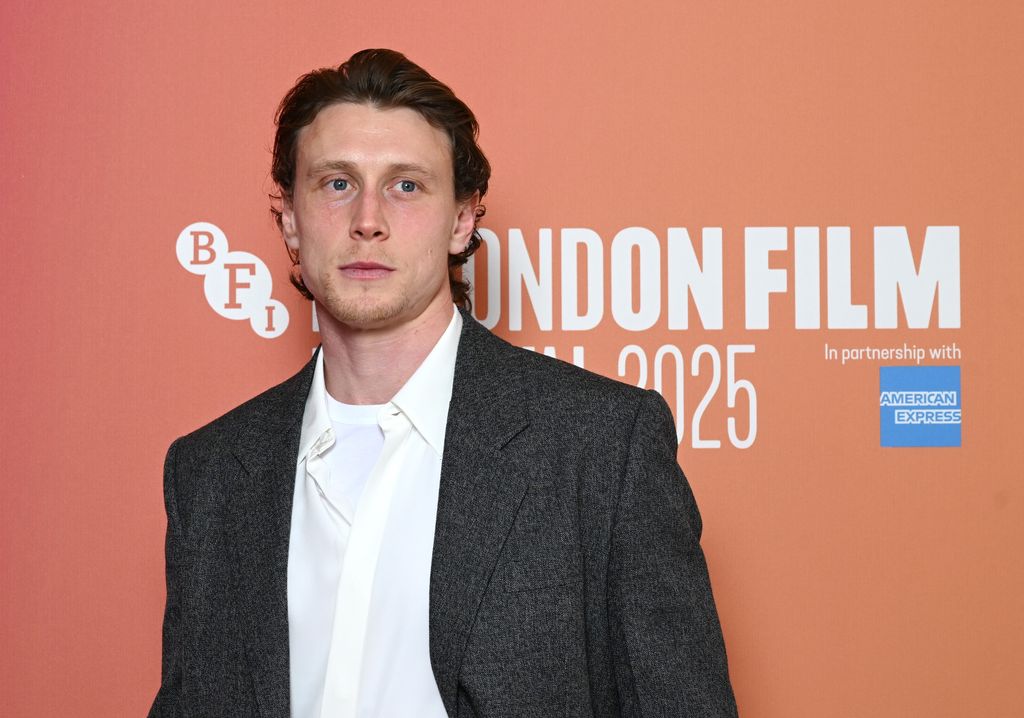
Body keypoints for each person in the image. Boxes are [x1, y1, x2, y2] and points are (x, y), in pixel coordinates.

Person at [150, 48, 738, 718]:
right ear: (289, 220)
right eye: (337, 183)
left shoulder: (600, 445)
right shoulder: (210, 474)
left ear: (463, 220)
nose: (367, 219)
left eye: (406, 186)